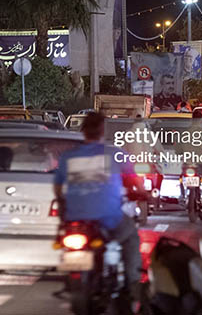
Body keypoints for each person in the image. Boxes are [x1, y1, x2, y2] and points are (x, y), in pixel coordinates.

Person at [53, 112, 142, 303]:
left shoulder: (68, 157)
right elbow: (134, 181)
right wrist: (143, 194)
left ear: (83, 131)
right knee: (131, 238)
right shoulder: (115, 154)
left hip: (75, 218)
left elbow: (58, 189)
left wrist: (65, 203)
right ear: (103, 130)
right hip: (109, 218)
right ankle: (133, 284)